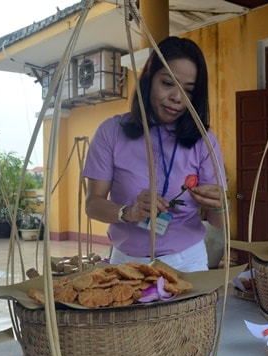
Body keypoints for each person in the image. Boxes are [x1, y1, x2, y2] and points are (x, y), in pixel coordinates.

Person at [83, 36, 227, 272]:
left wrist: (221, 205)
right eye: (168, 83)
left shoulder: (204, 140)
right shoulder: (112, 132)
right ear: (149, 80)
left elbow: (217, 221)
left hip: (187, 262)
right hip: (126, 264)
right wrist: (128, 212)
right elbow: (93, 204)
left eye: (188, 91)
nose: (177, 98)